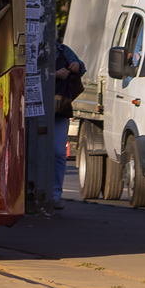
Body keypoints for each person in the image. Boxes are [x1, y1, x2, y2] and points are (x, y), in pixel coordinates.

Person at [53, 37, 84, 210]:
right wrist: (55, 75)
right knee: (32, 153)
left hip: (59, 108)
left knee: (58, 153)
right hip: (32, 111)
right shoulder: (29, 49)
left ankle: (55, 195)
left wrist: (77, 66)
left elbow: (81, 66)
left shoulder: (63, 50)